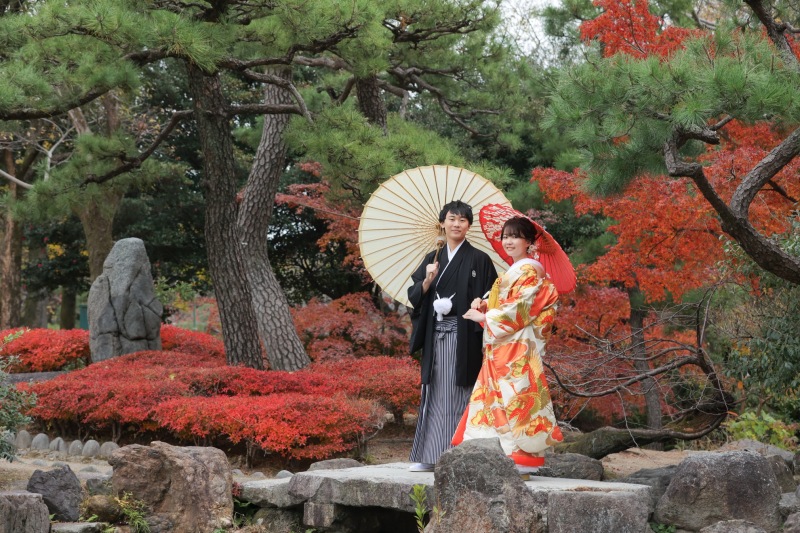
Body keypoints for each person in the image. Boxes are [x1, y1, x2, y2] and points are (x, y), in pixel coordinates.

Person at [453, 215, 563, 473]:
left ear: (529, 242)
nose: (508, 241)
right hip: (504, 344)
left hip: (516, 346)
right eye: (505, 236)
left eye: (515, 236)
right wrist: (485, 304)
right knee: (496, 398)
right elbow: (505, 303)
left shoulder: (529, 271)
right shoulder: (516, 270)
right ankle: (498, 456)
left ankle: (519, 459)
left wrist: (485, 317)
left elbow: (521, 307)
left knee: (515, 398)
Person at [407, 200, 498, 472]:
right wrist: (427, 281)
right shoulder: (432, 258)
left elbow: (492, 294)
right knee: (434, 391)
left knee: (460, 392)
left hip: (464, 336)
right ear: (442, 223)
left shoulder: (479, 259)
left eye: (462, 220)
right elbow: (414, 297)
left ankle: (457, 455)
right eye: (452, 219)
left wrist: (480, 303)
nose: (456, 224)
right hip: (435, 335)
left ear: (469, 225)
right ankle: (429, 455)